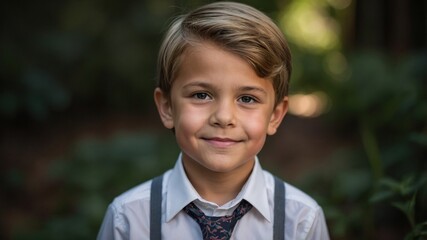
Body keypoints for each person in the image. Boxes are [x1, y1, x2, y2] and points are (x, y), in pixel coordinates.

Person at [97, 1, 330, 239]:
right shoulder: (128, 220)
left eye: (247, 99)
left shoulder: (301, 221)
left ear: (275, 115)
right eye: (201, 95)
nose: (224, 117)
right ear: (167, 107)